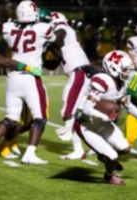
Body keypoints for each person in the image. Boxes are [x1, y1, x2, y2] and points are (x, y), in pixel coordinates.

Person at [0, 0, 61, 164]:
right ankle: (30, 154)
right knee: (40, 118)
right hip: (31, 77)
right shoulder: (43, 28)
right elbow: (56, 42)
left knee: (10, 118)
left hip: (13, 77)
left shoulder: (8, 27)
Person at [74, 50, 137, 185]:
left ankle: (106, 157)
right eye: (125, 70)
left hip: (101, 122)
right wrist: (105, 117)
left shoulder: (120, 84)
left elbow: (127, 104)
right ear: (113, 68)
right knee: (113, 156)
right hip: (86, 125)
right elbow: (87, 109)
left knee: (125, 149)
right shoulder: (103, 81)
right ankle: (109, 175)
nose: (128, 73)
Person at [50, 12, 99, 160]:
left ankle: (81, 148)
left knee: (67, 112)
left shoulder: (62, 29)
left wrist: (46, 42)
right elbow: (53, 63)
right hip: (83, 73)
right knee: (82, 114)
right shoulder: (68, 37)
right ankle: (93, 145)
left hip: (79, 73)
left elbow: (59, 33)